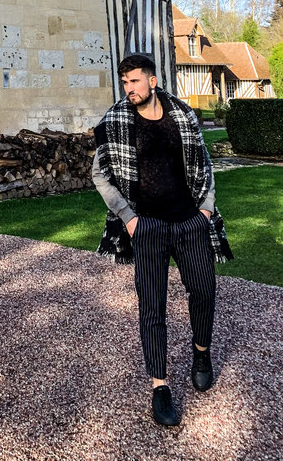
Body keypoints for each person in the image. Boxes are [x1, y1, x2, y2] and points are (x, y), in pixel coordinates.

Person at [92, 53, 232, 427]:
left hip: (190, 222)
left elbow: (205, 165)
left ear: (152, 81)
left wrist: (205, 210)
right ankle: (160, 387)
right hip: (148, 227)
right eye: (124, 83)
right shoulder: (115, 121)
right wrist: (129, 218)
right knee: (151, 307)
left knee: (204, 290)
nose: (129, 89)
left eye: (134, 81)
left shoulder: (183, 116)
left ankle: (201, 352)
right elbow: (100, 175)